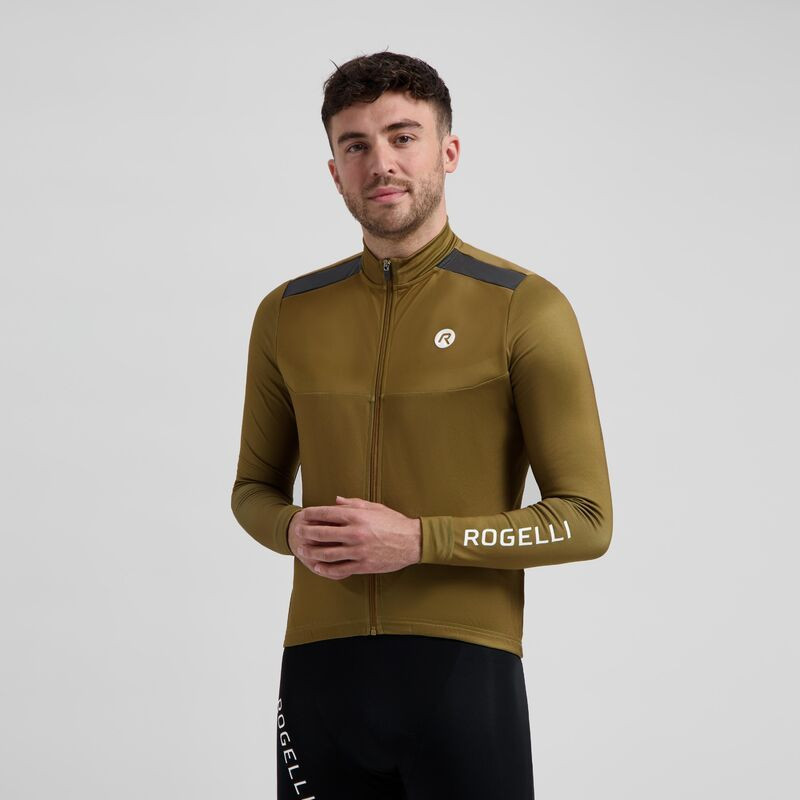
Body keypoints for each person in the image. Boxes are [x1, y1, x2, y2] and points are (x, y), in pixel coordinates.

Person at [230, 50, 613, 800]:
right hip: (319, 676)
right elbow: (252, 490)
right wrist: (290, 529)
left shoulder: (524, 307)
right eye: (356, 145)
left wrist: (416, 541)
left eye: (403, 136)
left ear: (449, 151)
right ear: (335, 171)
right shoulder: (287, 313)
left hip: (463, 675)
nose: (381, 162)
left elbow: (586, 520)